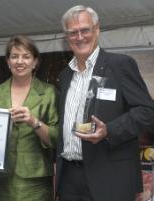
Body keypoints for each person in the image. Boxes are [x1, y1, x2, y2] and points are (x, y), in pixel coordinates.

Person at [56, 5, 154, 201]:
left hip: (110, 176)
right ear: (67, 38)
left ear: (97, 29)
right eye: (72, 32)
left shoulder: (120, 65)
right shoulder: (64, 75)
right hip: (69, 178)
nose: (79, 37)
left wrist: (109, 130)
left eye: (85, 30)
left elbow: (147, 111)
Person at [0, 35, 59, 201]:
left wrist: (33, 121)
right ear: (8, 61)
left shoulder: (49, 93)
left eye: (26, 56)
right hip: (0, 180)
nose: (20, 61)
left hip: (36, 184)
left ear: (35, 62)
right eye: (14, 56)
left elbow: (56, 138)